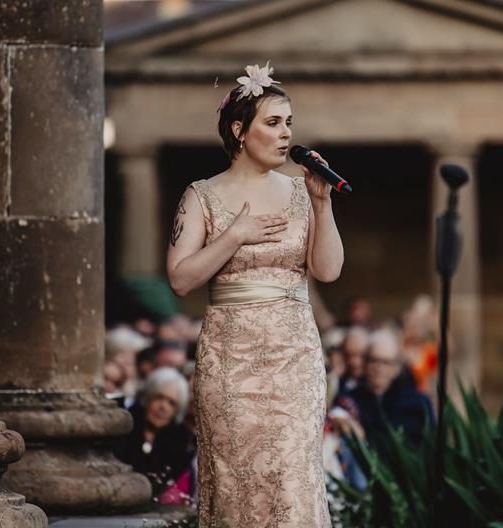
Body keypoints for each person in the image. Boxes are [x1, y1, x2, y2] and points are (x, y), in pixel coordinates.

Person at [166, 62, 343, 527]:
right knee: (236, 477)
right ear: (240, 131)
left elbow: (327, 270)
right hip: (230, 357)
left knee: (292, 475)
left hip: (294, 356)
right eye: (273, 122)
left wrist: (322, 204)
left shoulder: (303, 191)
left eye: (289, 123)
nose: (285, 134)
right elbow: (181, 279)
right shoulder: (200, 195)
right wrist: (235, 235)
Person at [342, 329, 434, 447]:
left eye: (386, 362)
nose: (379, 367)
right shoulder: (350, 399)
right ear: (365, 364)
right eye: (373, 360)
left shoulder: (418, 403)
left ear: (397, 368)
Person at [114, 367, 196, 502]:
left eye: (171, 403)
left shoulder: (179, 444)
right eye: (159, 398)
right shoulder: (124, 427)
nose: (163, 407)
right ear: (147, 397)